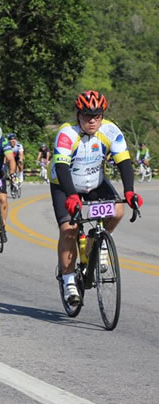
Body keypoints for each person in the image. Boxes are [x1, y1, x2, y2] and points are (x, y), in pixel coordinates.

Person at [50, 90, 143, 306]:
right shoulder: (66, 133)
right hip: (65, 184)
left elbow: (124, 161)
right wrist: (72, 195)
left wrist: (129, 191)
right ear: (78, 115)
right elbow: (62, 167)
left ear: (102, 116)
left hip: (95, 182)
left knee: (117, 210)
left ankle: (96, 244)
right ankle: (68, 280)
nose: (92, 121)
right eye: (87, 116)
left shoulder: (110, 130)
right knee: (69, 229)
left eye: (97, 116)